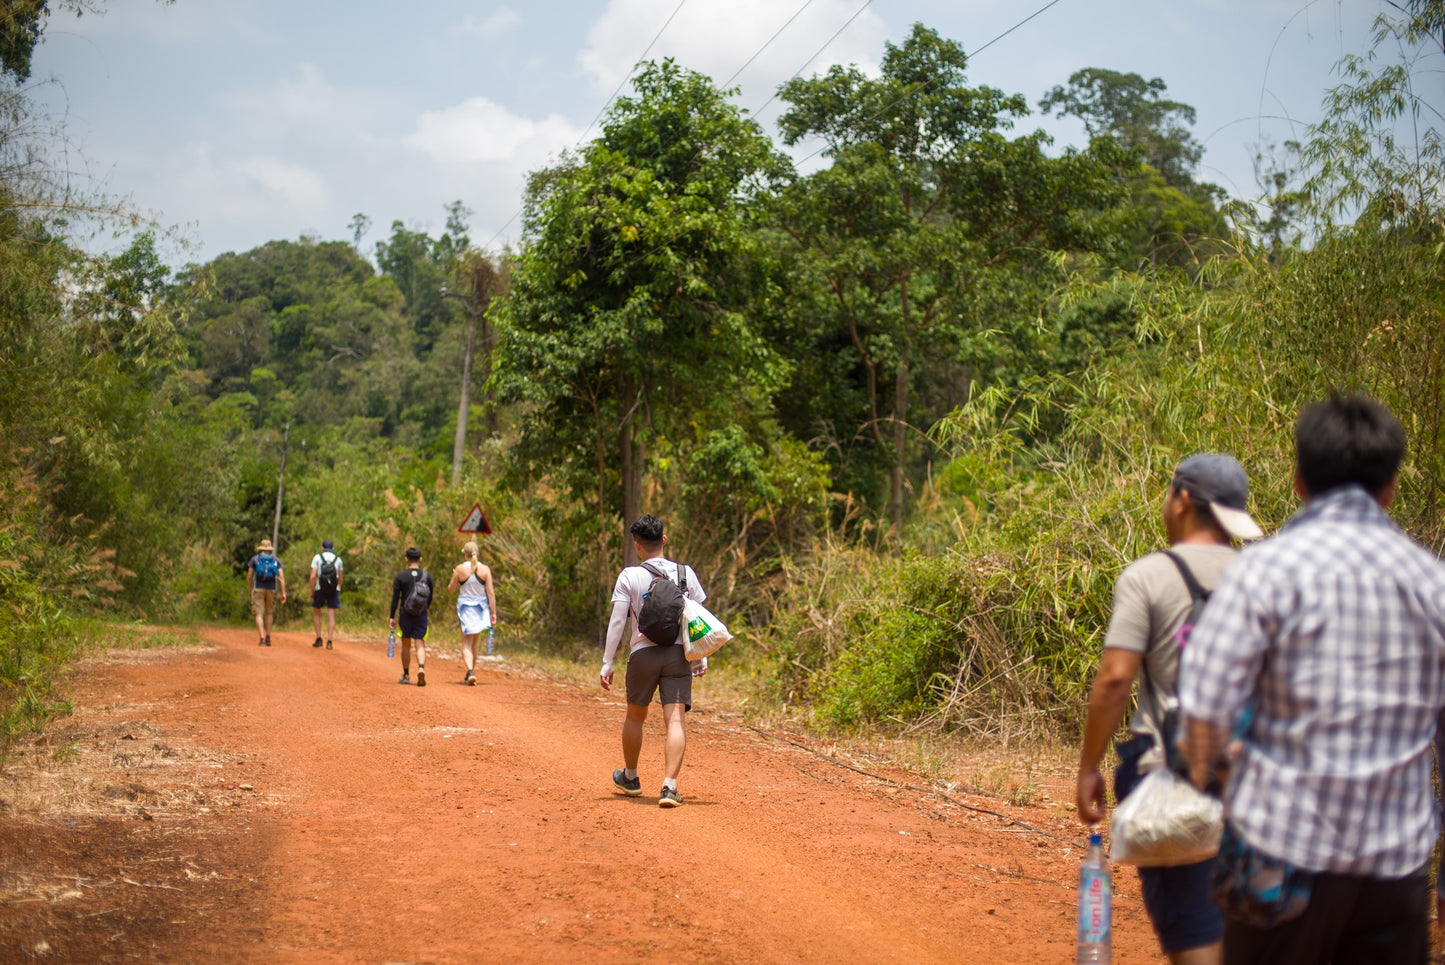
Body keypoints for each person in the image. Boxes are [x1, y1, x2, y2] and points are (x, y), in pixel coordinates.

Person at [1181, 395, 1445, 964]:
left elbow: (1202, 715)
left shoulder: (1262, 574)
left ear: (1299, 480)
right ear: (1392, 484)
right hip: (1393, 877)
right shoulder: (1432, 585)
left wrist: (1222, 786)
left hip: (1281, 863)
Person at [1076, 453, 1262, 965]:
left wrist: (1089, 767)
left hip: (1172, 775)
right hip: (1261, 777)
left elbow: (1115, 680)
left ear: (1181, 499)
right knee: (1250, 925)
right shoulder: (1267, 577)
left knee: (1194, 933)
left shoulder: (1149, 577)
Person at [600, 514, 707, 808]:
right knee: (675, 719)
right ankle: (670, 787)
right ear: (664, 540)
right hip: (677, 655)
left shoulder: (629, 575)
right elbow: (697, 619)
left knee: (636, 716)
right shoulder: (685, 574)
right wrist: (701, 655)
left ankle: (631, 778)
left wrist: (607, 661)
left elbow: (618, 619)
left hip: (642, 654)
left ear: (637, 546)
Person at [447, 541, 497, 685]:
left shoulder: (460, 569)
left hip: (465, 609)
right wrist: (493, 612)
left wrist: (454, 577)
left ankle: (470, 671)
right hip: (481, 609)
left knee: (466, 643)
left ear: (465, 554)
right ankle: (471, 672)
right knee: (474, 643)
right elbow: (490, 593)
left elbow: (451, 589)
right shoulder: (485, 570)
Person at [389, 547, 435, 687]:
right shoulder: (427, 576)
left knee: (406, 644)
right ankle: (421, 668)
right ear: (420, 559)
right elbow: (430, 597)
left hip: (405, 614)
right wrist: (424, 609)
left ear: (406, 559)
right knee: (420, 642)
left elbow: (395, 598)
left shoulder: (401, 576)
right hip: (421, 614)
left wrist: (392, 616)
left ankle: (406, 674)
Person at [247, 538, 287, 647]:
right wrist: (284, 592)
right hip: (271, 588)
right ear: (270, 549)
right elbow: (281, 577)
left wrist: (250, 589)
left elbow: (250, 575)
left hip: (258, 588)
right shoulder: (276, 560)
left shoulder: (255, 559)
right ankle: (268, 637)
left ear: (261, 548)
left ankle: (262, 639)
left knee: (259, 613)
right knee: (269, 612)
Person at [309, 539, 343, 650]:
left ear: (322, 548)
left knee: (317, 612)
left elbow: (313, 576)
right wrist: (338, 588)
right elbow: (340, 578)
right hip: (334, 589)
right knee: (331, 615)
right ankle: (329, 641)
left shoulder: (317, 558)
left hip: (320, 588)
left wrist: (312, 590)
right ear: (333, 548)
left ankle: (319, 638)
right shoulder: (338, 559)